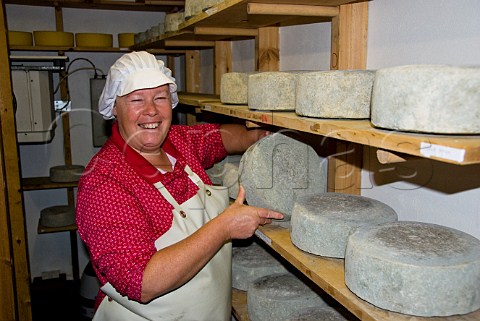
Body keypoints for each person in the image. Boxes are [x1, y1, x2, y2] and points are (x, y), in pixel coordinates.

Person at [75, 51, 284, 321]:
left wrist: (262, 134)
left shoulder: (179, 141)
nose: (151, 110)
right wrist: (224, 227)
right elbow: (142, 282)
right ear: (114, 107)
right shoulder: (104, 182)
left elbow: (223, 138)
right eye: (137, 99)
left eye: (160, 98)